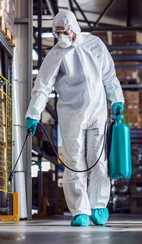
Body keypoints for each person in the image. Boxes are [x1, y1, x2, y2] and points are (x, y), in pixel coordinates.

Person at [25, 10, 124, 227]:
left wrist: (116, 98)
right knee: (74, 161)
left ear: (74, 28)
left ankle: (98, 205)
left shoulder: (95, 44)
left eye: (64, 31)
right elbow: (42, 87)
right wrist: (33, 113)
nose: (61, 35)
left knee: (99, 161)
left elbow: (109, 75)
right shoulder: (55, 55)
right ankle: (80, 210)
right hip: (72, 114)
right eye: (57, 32)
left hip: (97, 112)